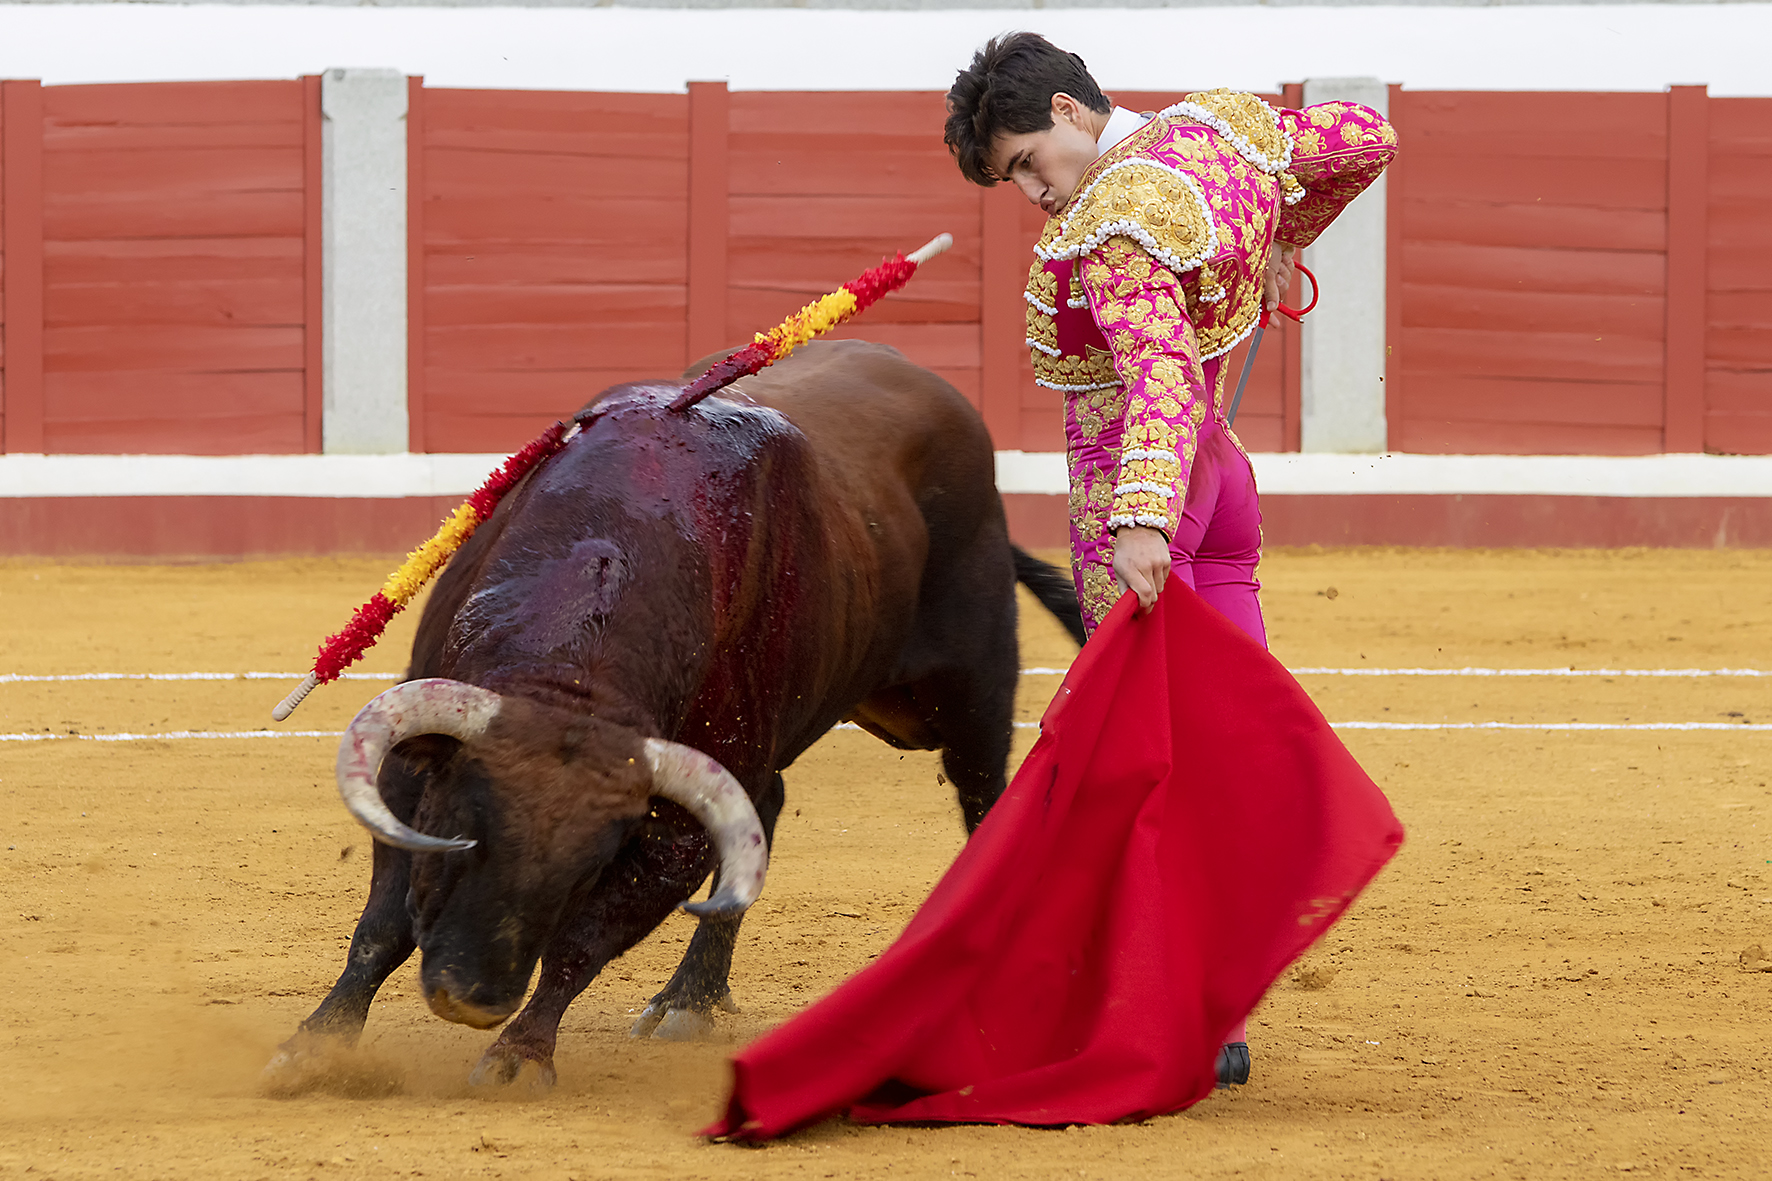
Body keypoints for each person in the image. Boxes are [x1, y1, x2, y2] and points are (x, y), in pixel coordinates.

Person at [945, 32, 1397, 1083]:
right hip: (1220, 481)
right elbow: (1361, 138)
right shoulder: (1217, 129)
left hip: (1146, 495)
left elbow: (1151, 374)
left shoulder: (1114, 220)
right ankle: (1222, 1003)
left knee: (1140, 756)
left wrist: (1140, 519)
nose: (1028, 193)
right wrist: (1287, 231)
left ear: (1066, 110)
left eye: (1021, 162)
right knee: (1225, 737)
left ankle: (1155, 1003)